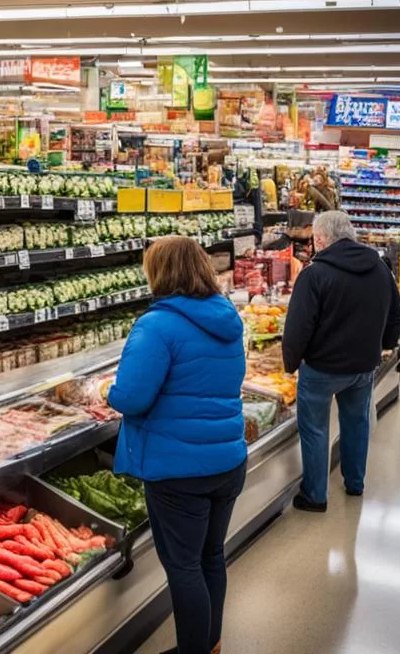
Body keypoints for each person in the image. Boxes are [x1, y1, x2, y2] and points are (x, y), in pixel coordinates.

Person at [107, 237, 247, 654]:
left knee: (184, 566)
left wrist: (107, 395)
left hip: (179, 469)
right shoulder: (227, 316)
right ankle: (211, 644)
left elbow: (132, 396)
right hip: (227, 460)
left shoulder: (157, 324)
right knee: (210, 557)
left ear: (160, 273)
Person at [283, 211, 400, 512]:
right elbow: (398, 315)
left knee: (315, 429)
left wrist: (290, 364)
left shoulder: (314, 274)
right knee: (356, 423)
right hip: (363, 366)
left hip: (321, 369)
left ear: (321, 239)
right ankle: (355, 483)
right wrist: (383, 346)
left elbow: (297, 328)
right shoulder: (379, 268)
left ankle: (315, 495)